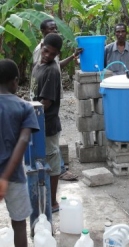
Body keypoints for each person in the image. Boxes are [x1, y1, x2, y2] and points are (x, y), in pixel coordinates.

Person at [33, 19, 82, 179]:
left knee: (52, 137)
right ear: (43, 32)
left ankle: (57, 169)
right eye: (50, 29)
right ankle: (58, 169)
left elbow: (55, 65)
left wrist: (72, 56)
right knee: (49, 143)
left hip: (49, 100)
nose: (54, 31)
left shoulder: (52, 49)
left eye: (55, 29)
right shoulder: (41, 52)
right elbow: (42, 71)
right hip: (43, 103)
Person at [0, 59, 39, 247]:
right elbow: (23, 142)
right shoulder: (24, 107)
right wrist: (5, 178)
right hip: (14, 177)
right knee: (19, 225)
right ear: (14, 82)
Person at [30, 33, 64, 213]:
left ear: (57, 54)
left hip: (48, 124)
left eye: (53, 54)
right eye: (46, 51)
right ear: (41, 46)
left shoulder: (52, 70)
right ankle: (42, 197)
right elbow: (32, 93)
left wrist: (26, 112)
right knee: (39, 161)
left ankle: (53, 202)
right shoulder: (37, 65)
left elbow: (46, 102)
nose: (48, 56)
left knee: (52, 161)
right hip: (36, 122)